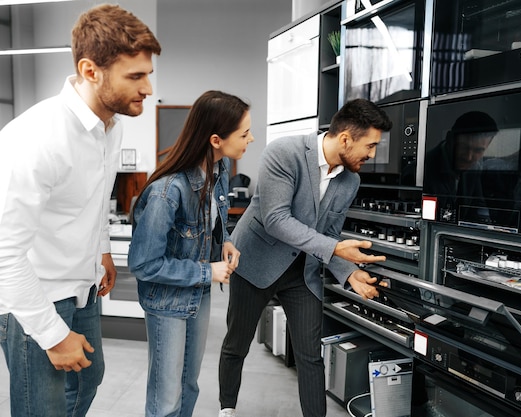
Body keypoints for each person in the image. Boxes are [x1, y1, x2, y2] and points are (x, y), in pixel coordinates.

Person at [0, 5, 161, 416]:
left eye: (147, 73)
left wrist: (101, 252)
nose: (148, 87)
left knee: (86, 382)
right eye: (136, 76)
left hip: (82, 287)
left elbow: (93, 199)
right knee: (43, 408)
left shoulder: (108, 128)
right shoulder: (34, 137)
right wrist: (51, 335)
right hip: (35, 296)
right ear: (91, 70)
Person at [218, 98, 392, 417]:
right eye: (370, 145)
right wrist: (336, 250)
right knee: (236, 345)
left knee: (310, 356)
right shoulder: (284, 153)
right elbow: (276, 219)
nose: (372, 154)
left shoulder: (350, 180)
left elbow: (330, 233)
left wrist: (349, 272)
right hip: (255, 262)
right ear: (345, 139)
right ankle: (226, 408)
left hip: (303, 272)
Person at [128, 90, 254, 417]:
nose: (251, 139)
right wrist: (207, 272)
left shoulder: (218, 170)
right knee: (167, 397)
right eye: (244, 133)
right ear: (215, 139)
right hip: (167, 301)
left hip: (197, 295)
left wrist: (223, 240)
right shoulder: (168, 191)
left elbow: (214, 217)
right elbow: (143, 264)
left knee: (189, 386)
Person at [422, 111, 498, 223]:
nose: (468, 157)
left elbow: (478, 206)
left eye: (478, 150)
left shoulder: (475, 168)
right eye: (463, 147)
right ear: (449, 139)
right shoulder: (422, 169)